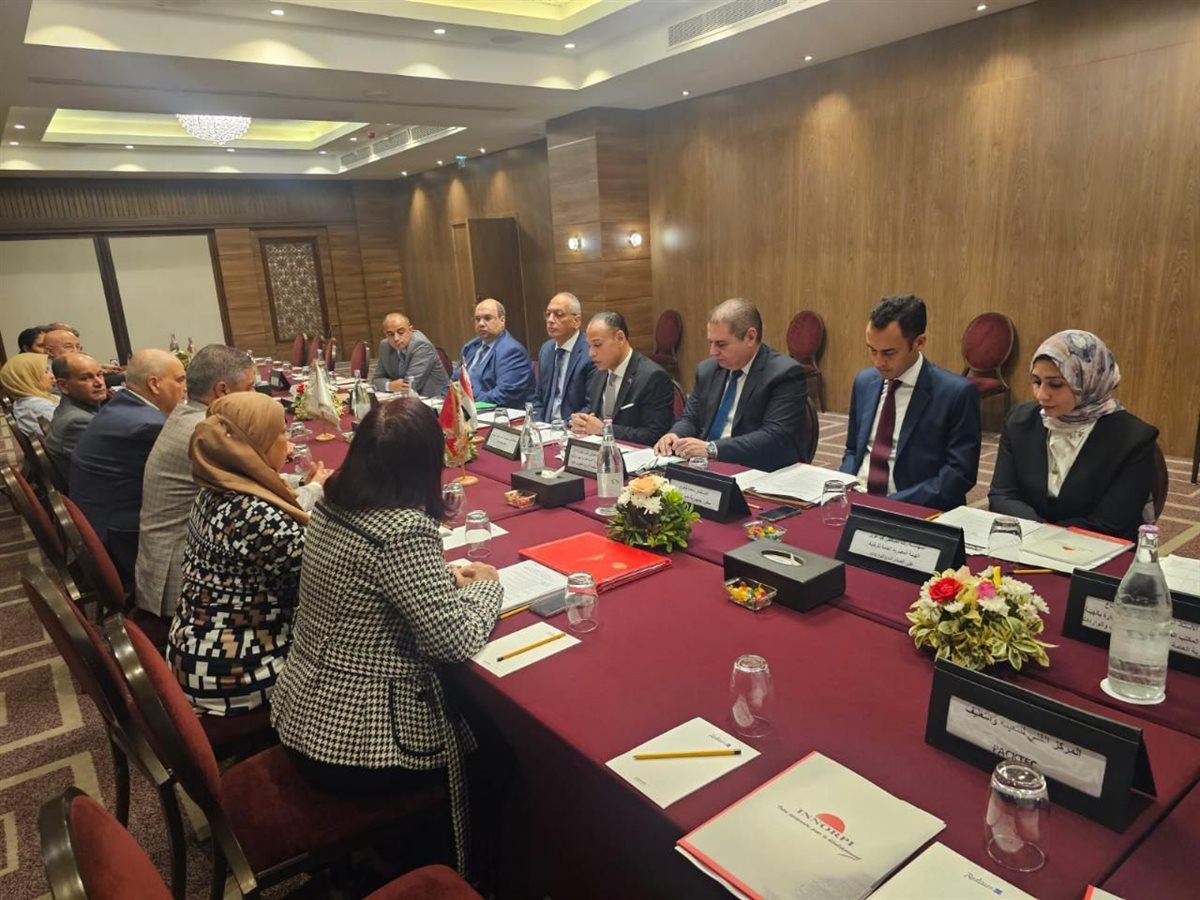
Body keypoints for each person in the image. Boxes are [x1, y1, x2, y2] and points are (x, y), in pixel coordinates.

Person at [270, 399, 503, 872]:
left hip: (302, 713)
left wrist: (438, 580)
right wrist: (486, 588)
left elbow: (370, 586)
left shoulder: (333, 502)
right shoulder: (402, 531)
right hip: (359, 743)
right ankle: (460, 875)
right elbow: (453, 641)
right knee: (498, 751)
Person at [136, 345, 326, 620]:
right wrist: (315, 488)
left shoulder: (192, 418)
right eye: (250, 388)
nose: (256, 395)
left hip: (191, 565)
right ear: (223, 390)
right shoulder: (206, 433)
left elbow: (251, 481)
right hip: (185, 582)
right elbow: (262, 506)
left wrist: (297, 481)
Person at [167, 392, 324, 717]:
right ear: (254, 445)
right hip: (239, 670)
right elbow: (330, 573)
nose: (289, 445)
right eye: (282, 433)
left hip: (195, 652)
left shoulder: (216, 490)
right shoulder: (255, 515)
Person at [989, 331, 1156, 541]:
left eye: (1056, 384)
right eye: (1036, 381)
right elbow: (1002, 495)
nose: (1042, 395)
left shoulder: (1133, 438)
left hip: (1094, 547)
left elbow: (1111, 522)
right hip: (1027, 540)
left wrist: (1047, 537)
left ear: (1089, 380)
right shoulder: (1019, 421)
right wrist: (1039, 532)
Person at [840, 295, 981, 511]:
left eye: (889, 353)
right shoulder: (864, 382)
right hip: (855, 501)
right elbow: (852, 449)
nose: (878, 362)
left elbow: (958, 475)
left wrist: (888, 505)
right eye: (872, 350)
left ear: (919, 342)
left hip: (913, 507)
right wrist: (844, 487)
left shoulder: (955, 394)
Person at [69, 349, 187, 582]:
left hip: (100, 521)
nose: (186, 388)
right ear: (154, 384)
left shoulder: (122, 404)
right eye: (180, 379)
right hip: (122, 541)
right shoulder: (148, 425)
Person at [654, 298, 808, 470]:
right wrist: (674, 434)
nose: (713, 352)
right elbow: (691, 418)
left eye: (721, 344)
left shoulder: (784, 374)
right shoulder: (707, 370)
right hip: (705, 464)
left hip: (756, 468)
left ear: (750, 337)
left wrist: (712, 449)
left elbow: (774, 436)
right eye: (710, 343)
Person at [572, 311, 673, 446]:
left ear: (620, 338)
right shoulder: (598, 373)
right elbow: (594, 414)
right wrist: (582, 422)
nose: (591, 353)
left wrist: (605, 430)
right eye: (589, 346)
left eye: (597, 345)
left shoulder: (653, 377)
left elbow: (655, 435)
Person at [451, 298, 534, 407]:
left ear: (502, 320)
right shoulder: (469, 347)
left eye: (487, 318)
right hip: (465, 410)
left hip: (497, 413)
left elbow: (503, 395)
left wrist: (466, 399)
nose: (481, 324)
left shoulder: (512, 351)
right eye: (477, 319)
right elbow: (454, 381)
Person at [532, 292, 594, 424]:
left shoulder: (590, 353)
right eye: (548, 314)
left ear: (576, 321)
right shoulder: (546, 350)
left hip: (573, 429)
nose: (550, 320)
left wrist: (564, 426)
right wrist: (539, 424)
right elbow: (538, 398)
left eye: (558, 315)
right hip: (545, 428)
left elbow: (592, 406)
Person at [45, 353, 106, 476]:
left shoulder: (69, 406)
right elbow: (107, 465)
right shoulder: (77, 421)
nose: (99, 383)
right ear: (63, 386)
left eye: (99, 374)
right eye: (85, 378)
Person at [371, 311, 449, 398]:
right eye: (390, 334)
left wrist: (391, 386)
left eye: (401, 332)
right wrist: (389, 385)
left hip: (434, 400)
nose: (396, 338)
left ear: (410, 330)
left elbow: (409, 385)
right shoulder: (385, 346)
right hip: (404, 399)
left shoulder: (422, 346)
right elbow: (375, 380)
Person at [0, 352, 57, 437]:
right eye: (45, 371)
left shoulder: (25, 401)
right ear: (27, 378)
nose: (52, 376)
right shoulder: (39, 407)